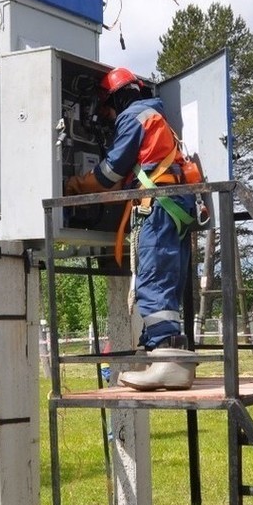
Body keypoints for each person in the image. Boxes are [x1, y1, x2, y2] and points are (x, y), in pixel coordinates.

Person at [64, 66, 197, 391]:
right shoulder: (156, 115)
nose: (108, 116)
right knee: (168, 282)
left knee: (152, 280)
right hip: (177, 204)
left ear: (116, 99)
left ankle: (168, 364)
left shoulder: (133, 117)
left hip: (159, 205)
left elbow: (109, 175)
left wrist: (75, 185)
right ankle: (165, 355)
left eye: (107, 108)